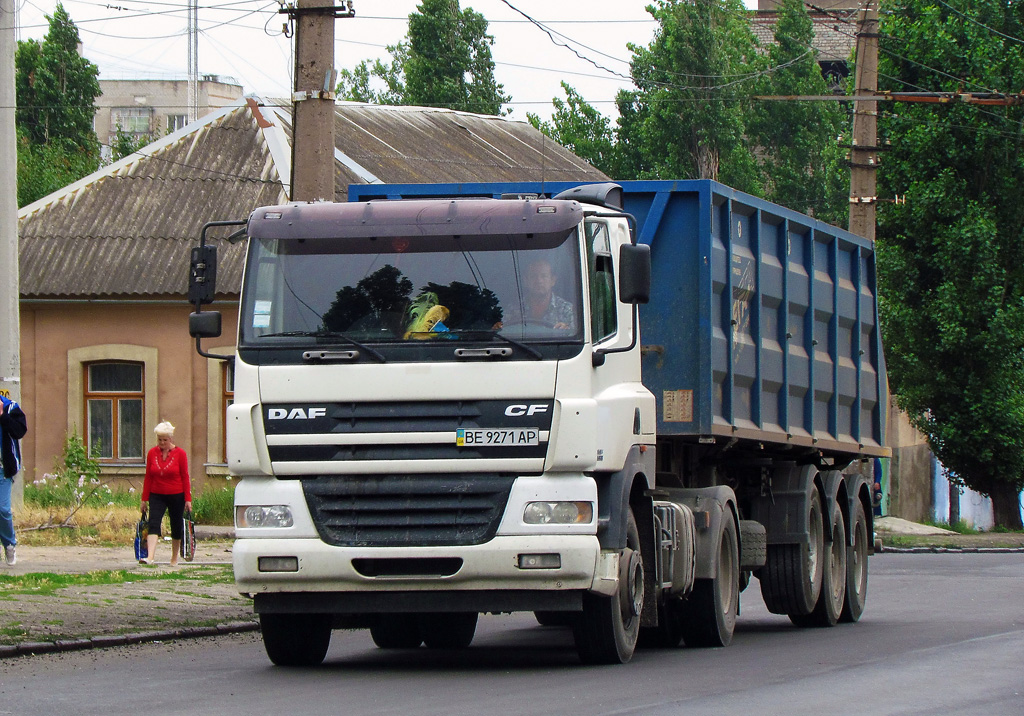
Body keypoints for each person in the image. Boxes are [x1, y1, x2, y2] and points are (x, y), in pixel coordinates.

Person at [140, 421, 192, 566]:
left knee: (176, 525)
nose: (162, 442)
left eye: (165, 440)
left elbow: (185, 476)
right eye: (159, 439)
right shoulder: (152, 453)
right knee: (153, 523)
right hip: (156, 494)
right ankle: (150, 557)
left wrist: (188, 499)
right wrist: (144, 499)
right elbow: (148, 477)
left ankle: (174, 558)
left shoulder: (180, 454)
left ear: (171, 439)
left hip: (177, 494)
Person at [502, 257, 576, 332]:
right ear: (526, 281)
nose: (539, 281)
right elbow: (501, 332)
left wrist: (566, 330)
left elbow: (574, 337)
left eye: (544, 276)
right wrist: (498, 327)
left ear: (553, 280)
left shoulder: (567, 310)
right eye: (533, 276)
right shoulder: (514, 309)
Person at [1, 393, 27, 567]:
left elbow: (19, 431)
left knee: (2, 508)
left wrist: (3, 416)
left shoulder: (11, 407)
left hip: (3, 468)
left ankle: (9, 544)